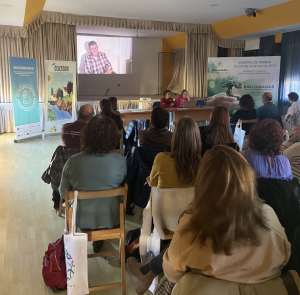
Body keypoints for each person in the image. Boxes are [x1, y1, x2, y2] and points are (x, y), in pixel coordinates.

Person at [129, 146, 290, 295]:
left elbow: (171, 272)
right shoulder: (269, 214)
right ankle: (147, 272)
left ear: (203, 182)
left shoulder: (192, 225)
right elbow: (285, 255)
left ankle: (147, 273)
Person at [60, 116, 126, 231]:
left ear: (86, 136)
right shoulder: (120, 160)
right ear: (114, 137)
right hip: (112, 217)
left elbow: (63, 193)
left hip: (81, 219)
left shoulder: (73, 162)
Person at [149, 117, 202, 188]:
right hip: (191, 199)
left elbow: (152, 183)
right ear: (197, 139)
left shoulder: (161, 159)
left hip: (165, 199)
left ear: (175, 137)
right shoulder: (202, 165)